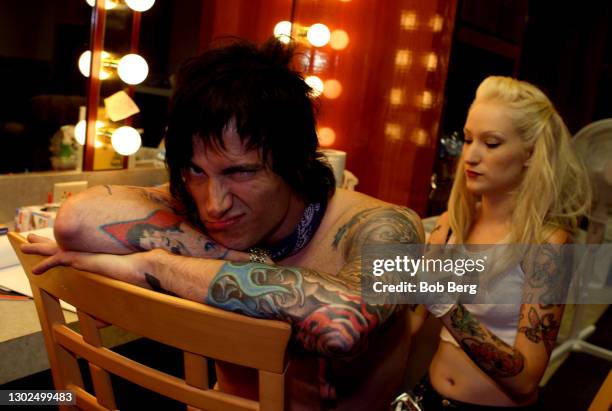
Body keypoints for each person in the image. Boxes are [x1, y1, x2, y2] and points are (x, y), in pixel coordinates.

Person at [22, 38, 424, 411]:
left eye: (241, 173)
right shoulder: (194, 199)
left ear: (295, 163)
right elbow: (75, 221)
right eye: (196, 171)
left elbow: (342, 323)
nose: (214, 205)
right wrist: (232, 261)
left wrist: (153, 266)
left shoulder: (382, 227)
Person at [406, 76, 591, 410]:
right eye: (467, 139)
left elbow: (525, 380)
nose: (471, 157)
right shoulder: (453, 224)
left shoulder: (547, 244)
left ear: (530, 154)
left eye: (491, 144)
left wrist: (446, 304)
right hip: (429, 397)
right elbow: (412, 325)